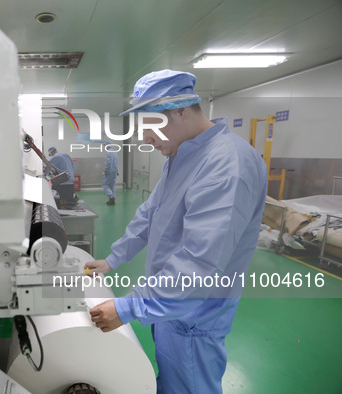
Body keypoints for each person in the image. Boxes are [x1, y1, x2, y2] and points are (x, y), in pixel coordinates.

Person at [84, 70, 267, 393]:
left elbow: (199, 264)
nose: (145, 138)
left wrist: (130, 307)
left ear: (182, 110)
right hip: (167, 305)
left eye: (150, 126)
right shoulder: (183, 154)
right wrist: (113, 259)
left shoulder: (226, 167)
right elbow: (151, 213)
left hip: (194, 316)